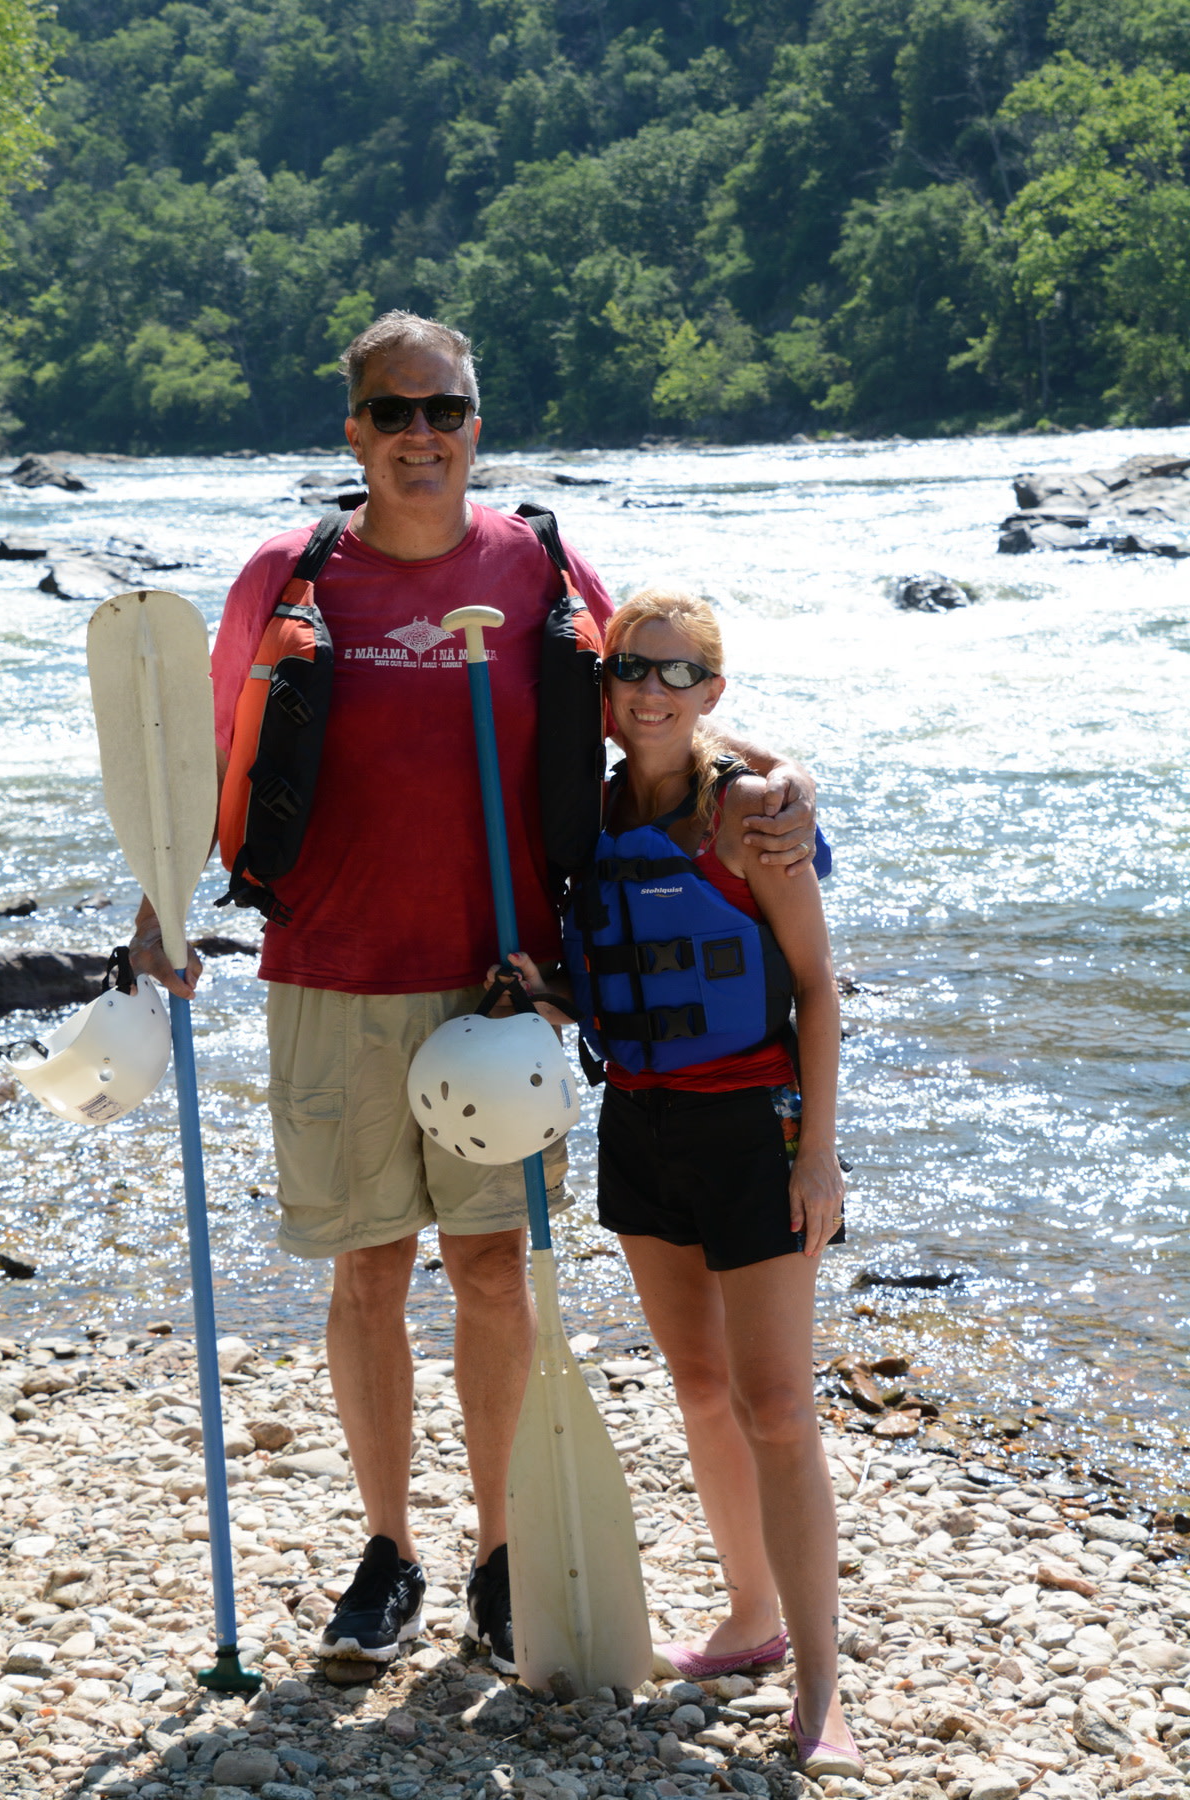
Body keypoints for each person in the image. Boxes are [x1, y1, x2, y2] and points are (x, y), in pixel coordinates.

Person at [130, 311, 820, 1676]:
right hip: (327, 969)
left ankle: (504, 1556)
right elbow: (216, 748)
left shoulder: (536, 564)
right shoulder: (288, 574)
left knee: (495, 1273)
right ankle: (388, 1556)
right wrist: (159, 908)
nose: (421, 436)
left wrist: (775, 765)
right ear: (355, 432)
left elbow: (650, 703)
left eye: (444, 411)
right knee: (368, 1272)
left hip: (506, 989)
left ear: (476, 427)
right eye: (394, 413)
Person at [509, 587, 861, 1778]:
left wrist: (818, 1152)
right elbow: (617, 977)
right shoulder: (593, 814)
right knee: (704, 1389)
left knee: (776, 1406)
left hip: (752, 1133)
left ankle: (821, 1688)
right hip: (641, 1128)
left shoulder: (750, 813)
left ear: (712, 691)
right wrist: (546, 994)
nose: (650, 692)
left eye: (677, 673)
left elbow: (818, 988)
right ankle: (749, 1619)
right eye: (630, 672)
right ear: (602, 696)